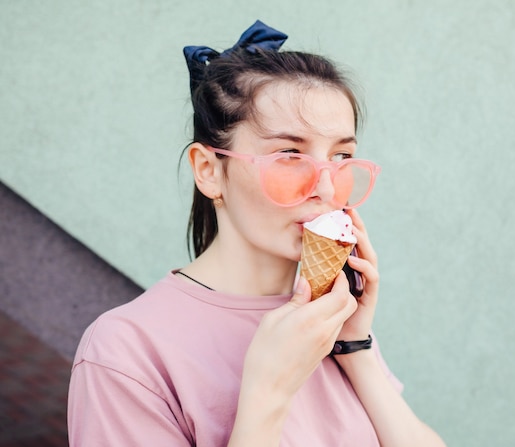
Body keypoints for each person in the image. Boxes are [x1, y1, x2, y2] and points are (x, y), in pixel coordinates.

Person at [67, 20, 446, 447]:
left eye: (341, 156)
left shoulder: (330, 319)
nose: (326, 188)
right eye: (289, 154)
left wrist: (355, 347)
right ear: (209, 171)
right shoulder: (125, 351)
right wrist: (268, 393)